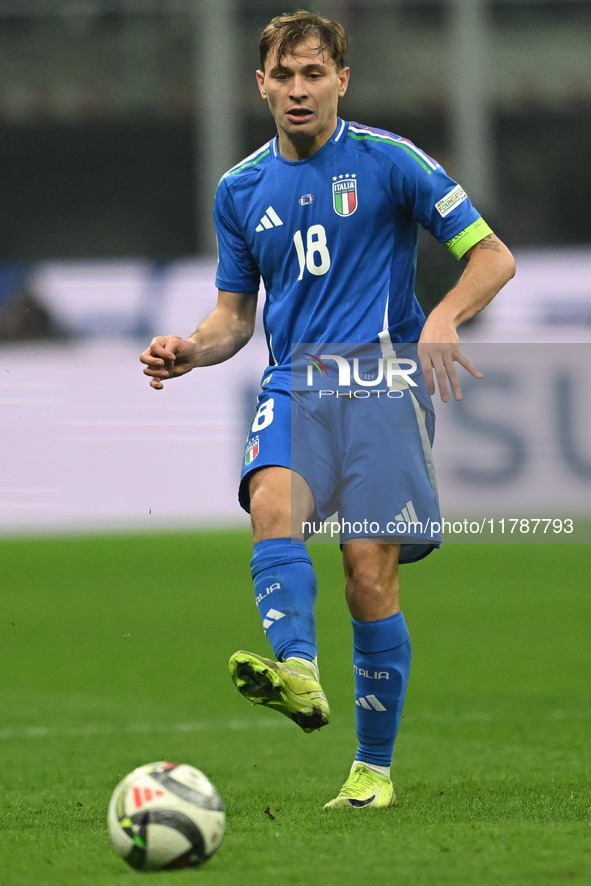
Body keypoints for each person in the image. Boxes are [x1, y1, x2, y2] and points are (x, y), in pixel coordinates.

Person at [140, 10, 515, 809]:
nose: (299, 89)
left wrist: (443, 317)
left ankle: (371, 771)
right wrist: (190, 350)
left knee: (365, 572)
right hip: (292, 384)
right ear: (261, 84)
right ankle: (299, 674)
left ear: (341, 80)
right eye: (285, 75)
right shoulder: (239, 188)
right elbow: (234, 318)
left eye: (315, 75)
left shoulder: (390, 162)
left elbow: (492, 255)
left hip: (384, 381)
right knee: (270, 502)